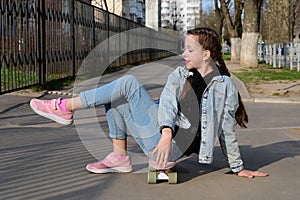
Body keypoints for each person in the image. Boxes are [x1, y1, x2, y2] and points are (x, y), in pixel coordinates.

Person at [30, 27, 268, 178]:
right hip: (163, 137)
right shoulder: (181, 74)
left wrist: (238, 167)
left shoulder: (224, 85)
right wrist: (165, 132)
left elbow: (226, 130)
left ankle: (64, 107)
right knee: (118, 93)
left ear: (205, 54)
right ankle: (120, 157)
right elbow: (166, 100)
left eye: (189, 49)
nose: (184, 54)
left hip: (173, 146)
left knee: (128, 84)